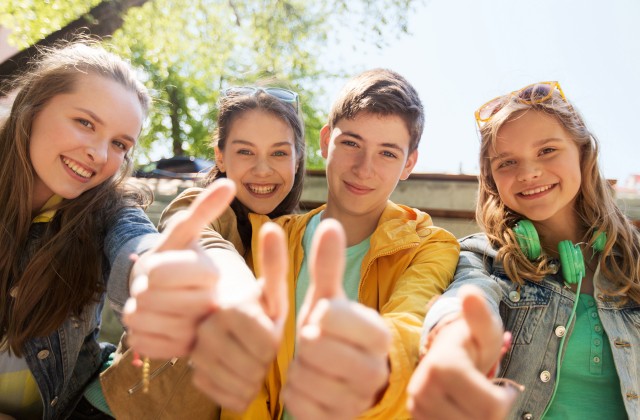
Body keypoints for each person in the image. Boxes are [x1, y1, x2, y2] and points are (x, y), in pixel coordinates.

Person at [189, 68, 461, 419]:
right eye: (351, 143)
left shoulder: (431, 246)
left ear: (409, 163)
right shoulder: (273, 238)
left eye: (388, 153)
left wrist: (372, 359)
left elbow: (412, 318)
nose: (364, 168)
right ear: (325, 141)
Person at [407, 81, 640, 420]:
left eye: (547, 151)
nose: (529, 173)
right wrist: (452, 344)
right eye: (507, 163)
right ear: (492, 180)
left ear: (583, 153)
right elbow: (465, 298)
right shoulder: (484, 257)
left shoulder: (634, 261)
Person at [98, 85, 306, 419]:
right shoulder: (199, 206)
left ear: (297, 159)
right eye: (245, 152)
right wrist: (240, 296)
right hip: (119, 409)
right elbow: (205, 245)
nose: (263, 169)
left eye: (279, 153)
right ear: (221, 156)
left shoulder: (298, 237)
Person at [0, 41, 160, 419]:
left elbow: (137, 243)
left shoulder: (110, 208)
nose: (101, 156)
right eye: (86, 123)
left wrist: (162, 272)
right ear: (34, 108)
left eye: (120, 144)